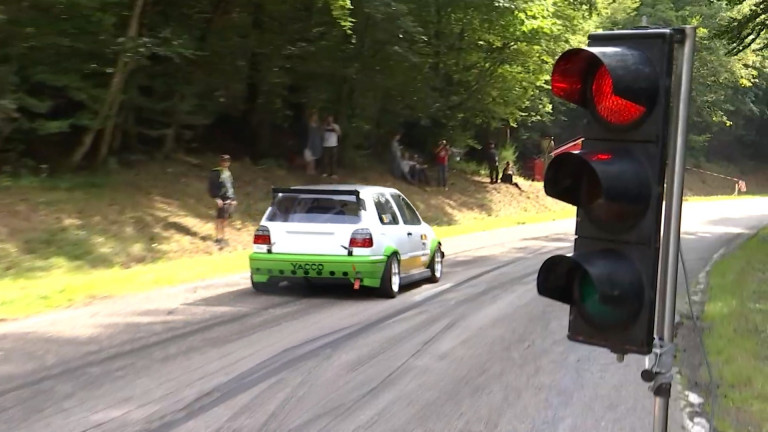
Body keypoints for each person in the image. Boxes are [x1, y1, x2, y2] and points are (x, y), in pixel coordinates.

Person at [208, 155, 237, 246]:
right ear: (221, 162)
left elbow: (230, 187)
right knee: (219, 219)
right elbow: (212, 186)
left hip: (229, 199)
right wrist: (216, 198)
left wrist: (233, 199)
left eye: (227, 161)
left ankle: (223, 238)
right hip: (221, 198)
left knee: (225, 219)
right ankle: (217, 238)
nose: (226, 163)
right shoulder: (216, 172)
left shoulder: (228, 173)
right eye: (224, 161)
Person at [304, 110, 323, 174]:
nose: (315, 117)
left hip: (316, 141)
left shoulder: (317, 125)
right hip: (311, 141)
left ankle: (312, 170)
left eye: (316, 116)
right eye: (314, 116)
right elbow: (310, 135)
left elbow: (319, 133)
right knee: (309, 156)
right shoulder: (310, 125)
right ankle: (309, 170)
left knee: (313, 157)